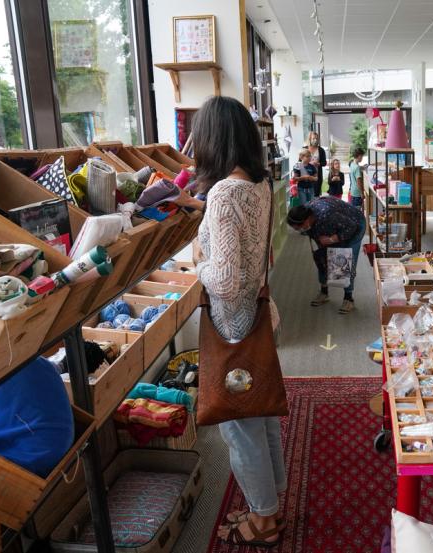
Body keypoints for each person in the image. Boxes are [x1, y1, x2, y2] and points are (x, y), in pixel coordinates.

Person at [192, 96, 286, 548]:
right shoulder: (258, 186)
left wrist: (198, 264)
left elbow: (224, 279)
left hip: (232, 326)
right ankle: (272, 500)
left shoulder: (224, 194)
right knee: (262, 412)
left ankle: (264, 520)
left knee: (240, 428)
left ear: (212, 140)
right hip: (261, 317)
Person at [287, 197, 366, 314]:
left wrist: (331, 239)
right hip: (331, 228)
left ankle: (348, 298)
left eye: (299, 227)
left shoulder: (327, 214)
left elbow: (352, 227)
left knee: (344, 261)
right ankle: (324, 292)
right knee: (320, 257)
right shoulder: (306, 212)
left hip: (355, 225)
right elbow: (315, 241)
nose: (299, 230)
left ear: (307, 220)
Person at [306, 130, 327, 196]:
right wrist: (309, 162)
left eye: (316, 138)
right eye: (313, 138)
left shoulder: (321, 150)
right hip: (306, 177)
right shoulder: (305, 149)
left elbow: (324, 163)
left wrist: (318, 164)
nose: (315, 140)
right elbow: (300, 162)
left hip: (317, 177)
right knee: (306, 196)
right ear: (310, 139)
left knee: (316, 195)